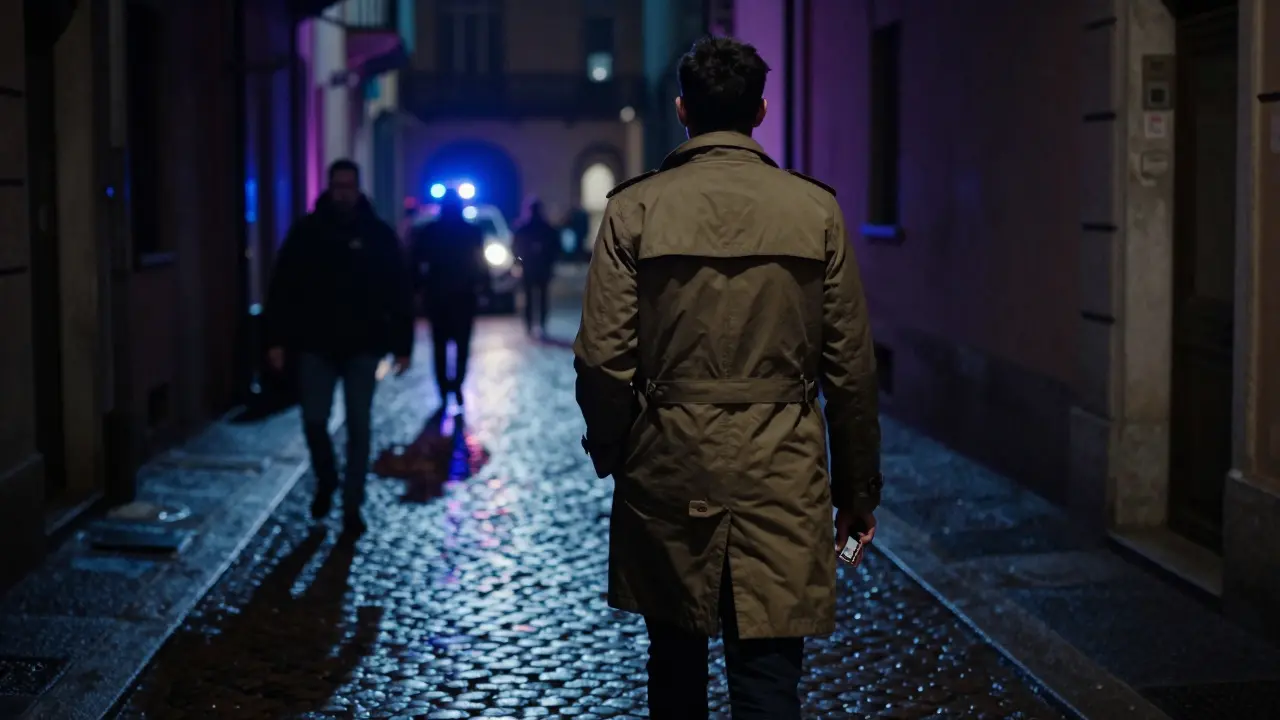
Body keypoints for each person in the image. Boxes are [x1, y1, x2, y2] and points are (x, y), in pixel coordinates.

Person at [573, 36, 882, 719]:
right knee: (769, 677)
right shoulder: (815, 210)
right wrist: (857, 488)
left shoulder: (635, 209)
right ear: (762, 110)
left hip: (670, 464)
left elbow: (601, 357)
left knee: (675, 672)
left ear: (682, 109)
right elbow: (851, 370)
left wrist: (618, 449)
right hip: (782, 467)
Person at [265, 159, 414, 536]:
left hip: (364, 345)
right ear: (330, 188)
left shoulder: (377, 235)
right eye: (338, 186)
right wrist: (276, 339)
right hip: (315, 343)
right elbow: (283, 286)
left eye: (349, 186)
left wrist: (402, 343)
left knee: (359, 427)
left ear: (357, 188)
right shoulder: (308, 232)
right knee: (314, 420)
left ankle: (351, 506)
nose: (344, 193)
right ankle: (328, 478)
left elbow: (399, 288)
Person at [410, 188, 490, 407]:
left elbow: (416, 262)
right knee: (462, 345)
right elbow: (480, 263)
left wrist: (418, 289)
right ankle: (456, 385)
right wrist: (484, 288)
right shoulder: (472, 231)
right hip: (464, 296)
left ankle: (444, 388)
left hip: (438, 296)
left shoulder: (429, 231)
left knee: (439, 346)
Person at [512, 197, 561, 336]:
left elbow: (516, 249)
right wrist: (550, 262)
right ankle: (542, 324)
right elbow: (556, 248)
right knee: (542, 297)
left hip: (528, 267)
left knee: (529, 297)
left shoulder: (523, 229)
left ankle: (529, 325)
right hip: (543, 267)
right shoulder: (548, 229)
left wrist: (519, 261)